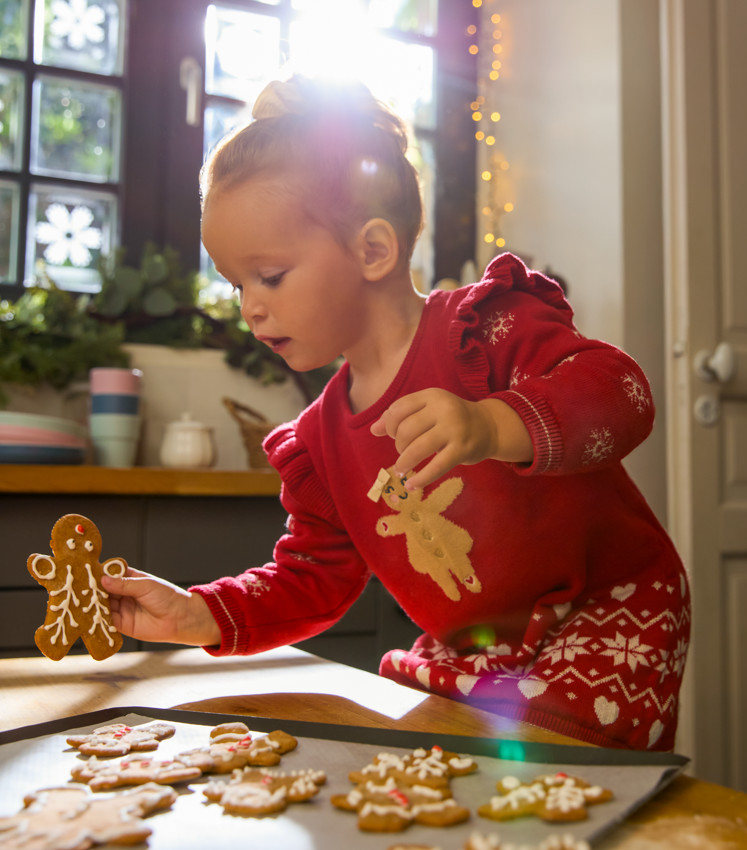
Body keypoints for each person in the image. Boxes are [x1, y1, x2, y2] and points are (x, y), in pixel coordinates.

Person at [103, 74, 690, 752]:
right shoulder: (320, 441)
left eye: (269, 276)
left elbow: (622, 392)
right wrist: (201, 613)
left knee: (557, 774)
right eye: (237, 285)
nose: (250, 308)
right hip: (472, 652)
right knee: (421, 758)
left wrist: (493, 423)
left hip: (605, 613)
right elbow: (313, 577)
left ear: (373, 250)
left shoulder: (484, 331)